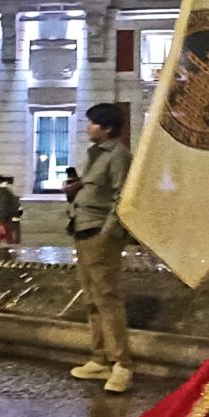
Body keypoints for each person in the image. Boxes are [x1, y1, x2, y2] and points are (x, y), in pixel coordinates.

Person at [68, 103, 134, 394]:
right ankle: (100, 358)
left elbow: (122, 197)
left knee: (107, 298)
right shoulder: (95, 155)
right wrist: (77, 189)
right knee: (92, 298)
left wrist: (109, 233)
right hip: (82, 229)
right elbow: (98, 189)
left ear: (106, 128)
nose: (87, 127)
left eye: (92, 122)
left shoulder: (118, 155)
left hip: (99, 234)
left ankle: (122, 364)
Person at [0, 175, 21, 245]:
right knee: (8, 238)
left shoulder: (3, 193)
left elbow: (2, 207)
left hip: (3, 219)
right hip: (6, 219)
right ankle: (8, 252)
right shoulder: (5, 192)